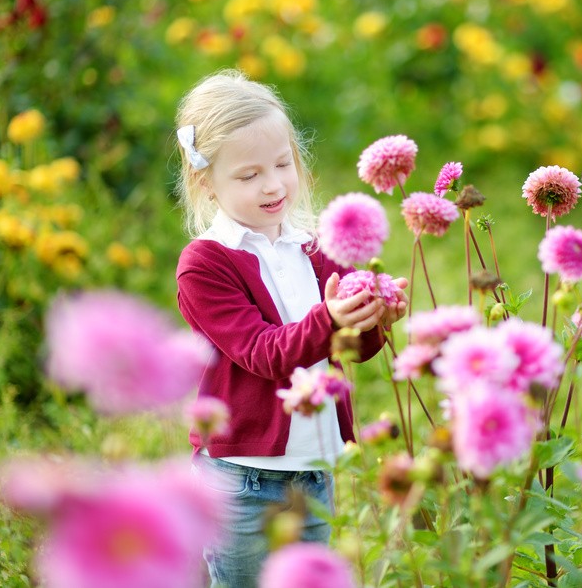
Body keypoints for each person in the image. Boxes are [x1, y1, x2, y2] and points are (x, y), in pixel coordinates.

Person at [173, 69, 407, 587]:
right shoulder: (205, 264)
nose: (273, 184)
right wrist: (331, 317)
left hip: (315, 470)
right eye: (249, 175)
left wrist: (375, 318)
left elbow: (343, 347)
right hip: (242, 480)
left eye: (283, 164)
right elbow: (263, 353)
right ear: (206, 182)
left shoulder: (314, 246)